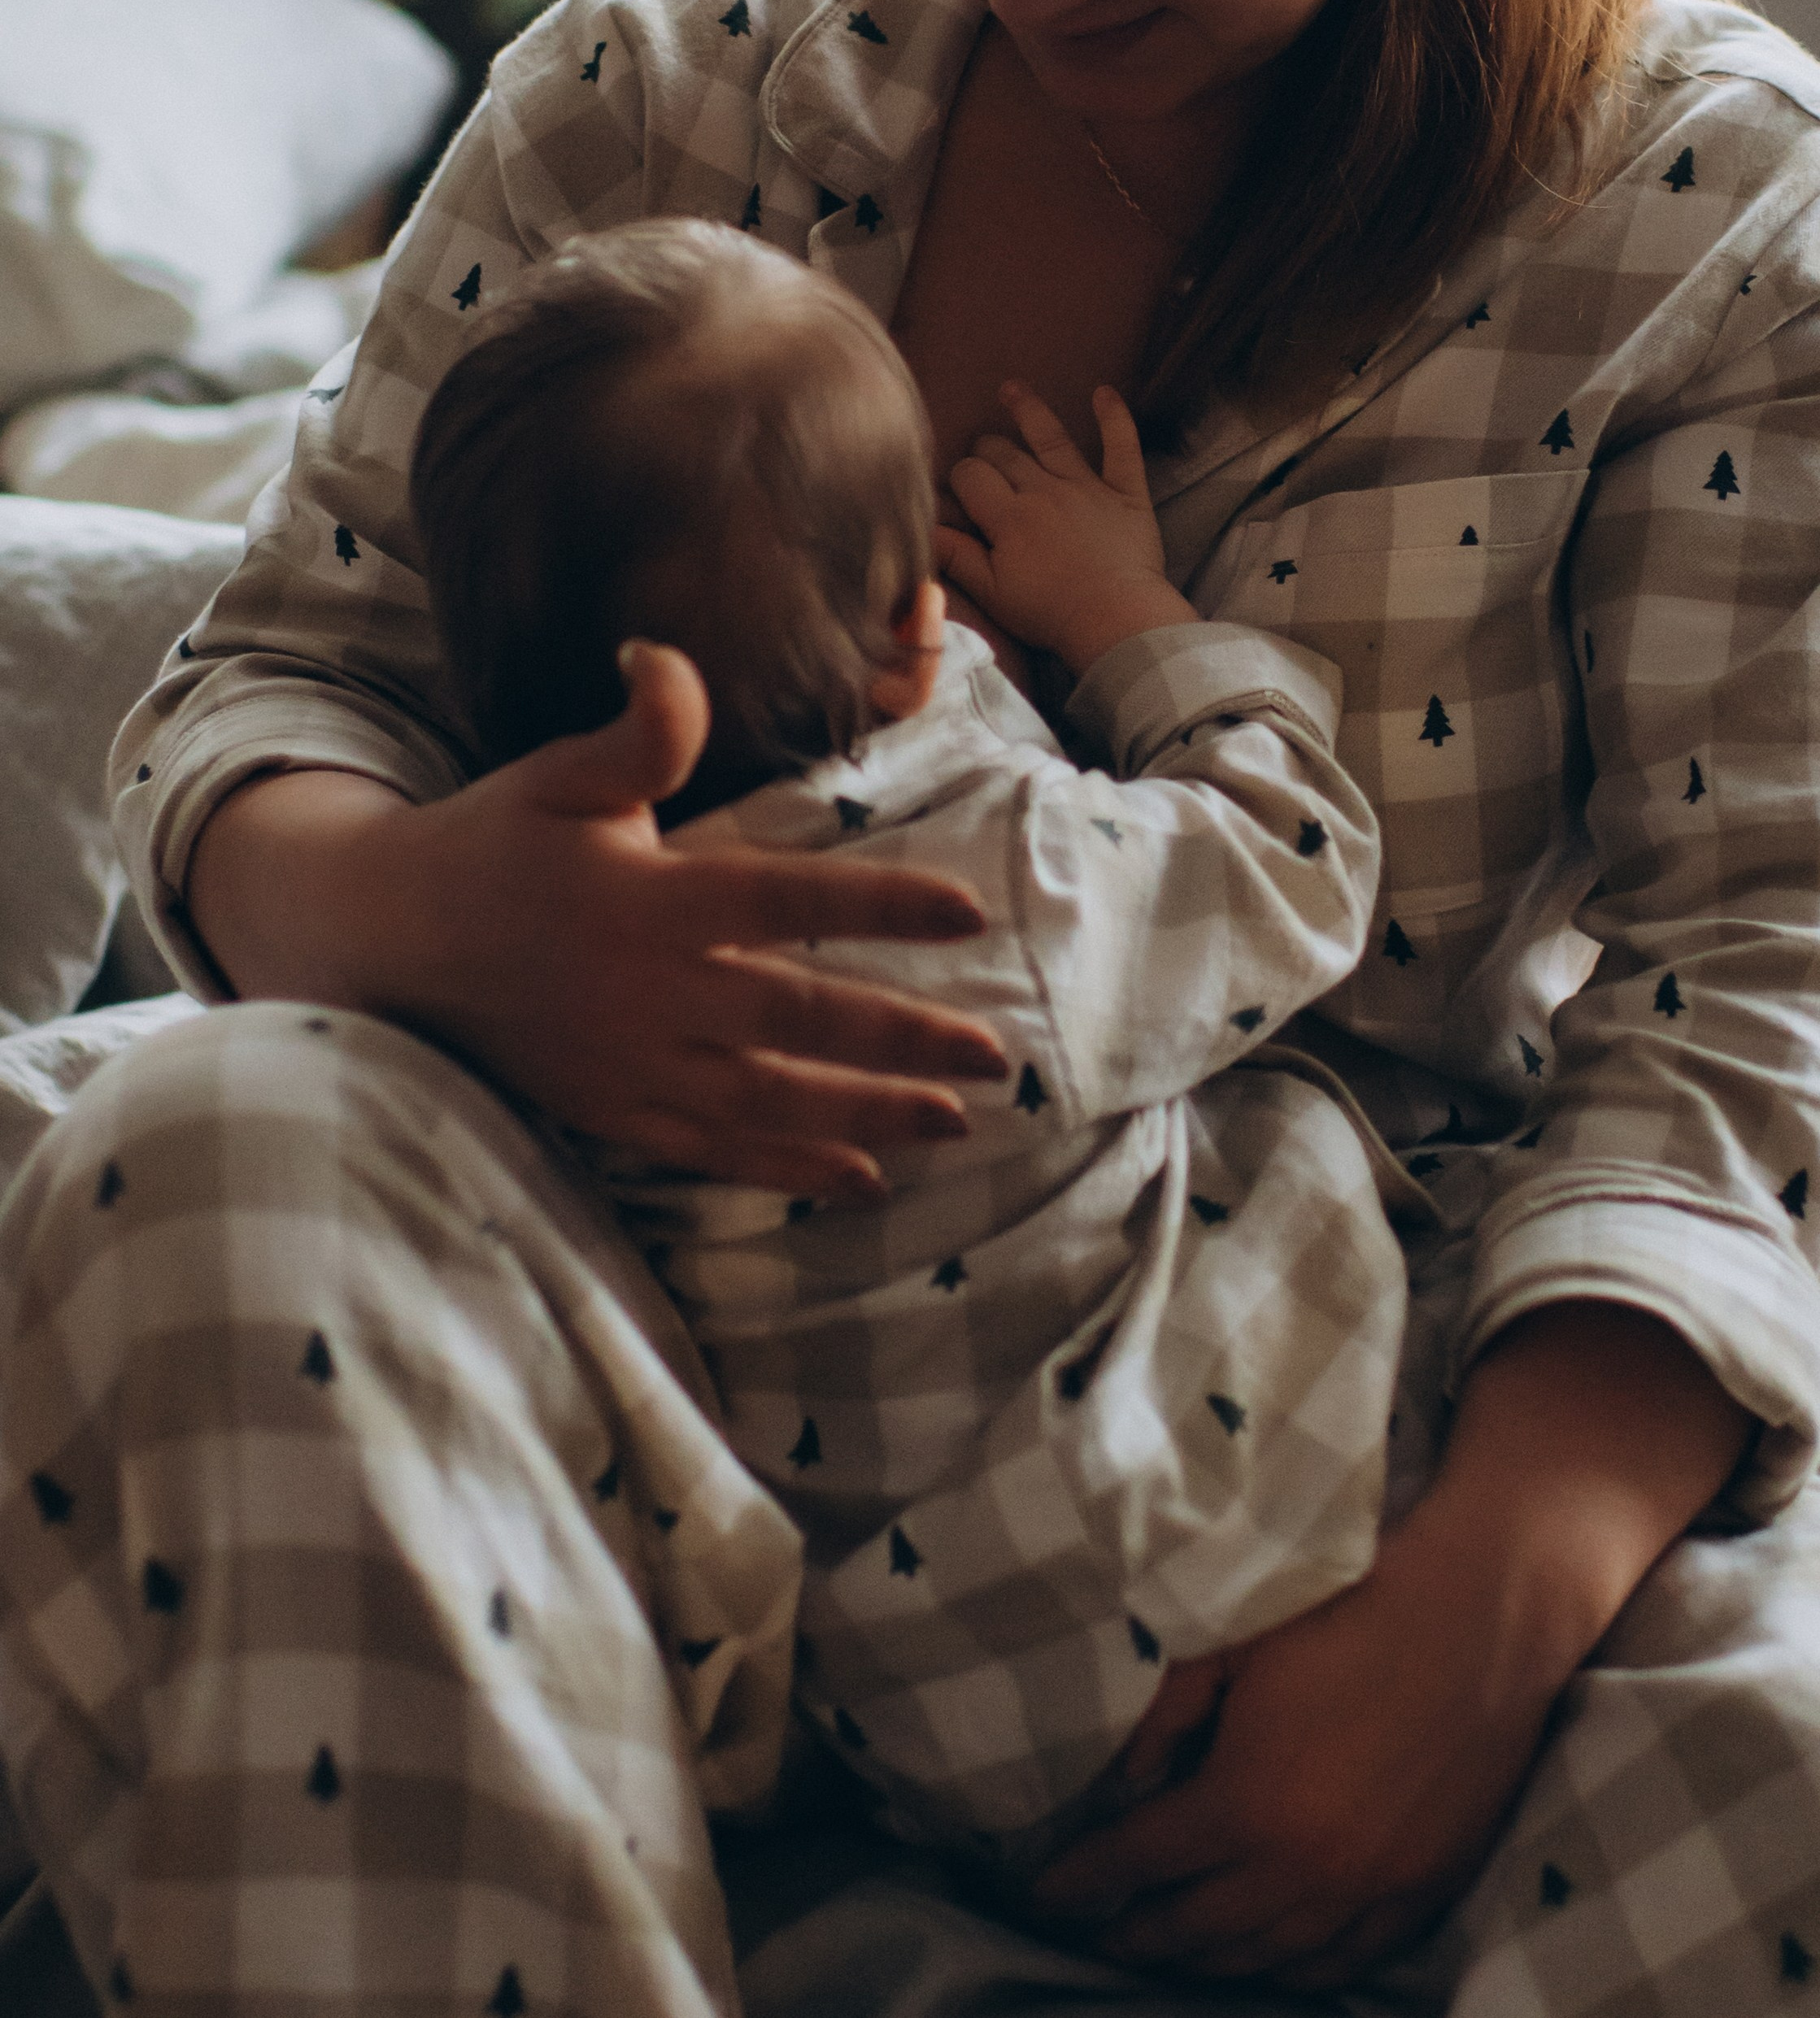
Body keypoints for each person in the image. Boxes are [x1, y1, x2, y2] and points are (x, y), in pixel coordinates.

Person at [2, 0, 1819, 2008]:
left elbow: (1754, 972)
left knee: (1766, 1738)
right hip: (619, 1313)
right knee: (177, 1149)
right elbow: (273, 676)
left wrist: (1479, 1604)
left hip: (1286, 1437)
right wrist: (424, 921)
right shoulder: (661, 99)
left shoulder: (1702, 234)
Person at [405, 215, 1411, 1862]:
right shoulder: (998, 878)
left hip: (904, 1702)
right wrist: (1130, 617)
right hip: (1187, 1584)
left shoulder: (526, 967)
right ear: (913, 636)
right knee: (1301, 1141)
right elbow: (1296, 866)